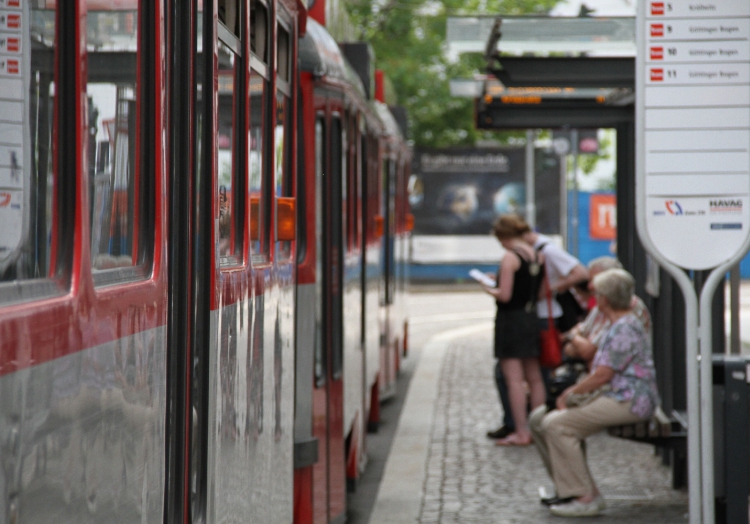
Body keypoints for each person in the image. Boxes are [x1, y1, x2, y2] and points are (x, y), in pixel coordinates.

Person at [535, 268, 661, 517]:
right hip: (619, 395)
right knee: (541, 419)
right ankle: (574, 488)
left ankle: (584, 497)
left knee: (556, 425)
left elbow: (603, 375)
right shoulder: (619, 323)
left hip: (629, 400)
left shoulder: (623, 329)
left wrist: (569, 395)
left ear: (604, 298)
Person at [480, 215, 547, 446]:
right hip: (531, 318)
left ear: (505, 236)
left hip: (511, 321)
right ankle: (538, 429)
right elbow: (539, 294)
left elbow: (505, 295)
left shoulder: (510, 257)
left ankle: (521, 432)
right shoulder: (539, 255)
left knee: (514, 380)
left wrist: (489, 288)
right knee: (535, 378)